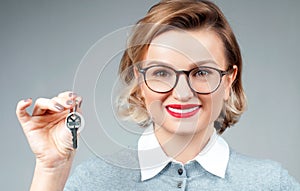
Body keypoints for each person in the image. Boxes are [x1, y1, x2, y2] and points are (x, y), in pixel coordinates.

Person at [16, 0, 300, 190]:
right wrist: (50, 170)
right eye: (162, 73)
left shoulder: (270, 183)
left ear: (228, 81)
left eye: (201, 72)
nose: (183, 93)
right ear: (139, 82)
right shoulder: (94, 182)